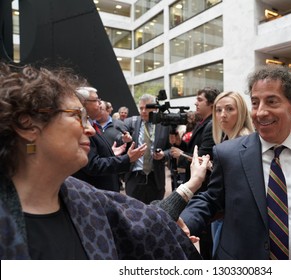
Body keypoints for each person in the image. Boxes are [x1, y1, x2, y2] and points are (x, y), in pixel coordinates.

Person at [0, 63, 210, 259]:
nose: (90, 129)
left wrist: (192, 183)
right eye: (76, 116)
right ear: (26, 125)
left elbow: (146, 221)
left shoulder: (84, 198)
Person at [180, 65, 291, 260]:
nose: (260, 112)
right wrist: (186, 220)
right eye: (255, 103)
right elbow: (211, 200)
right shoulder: (228, 154)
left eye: (271, 101)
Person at [170, 86, 220, 260]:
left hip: (204, 187)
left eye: (200, 100)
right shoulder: (203, 123)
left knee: (206, 239)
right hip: (197, 187)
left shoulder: (212, 124)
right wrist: (180, 144)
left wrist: (181, 154)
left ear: (211, 104)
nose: (195, 103)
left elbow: (205, 156)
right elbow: (195, 150)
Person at [210, 90, 254, 256]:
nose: (223, 115)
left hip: (234, 218)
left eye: (229, 109)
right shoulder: (227, 139)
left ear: (241, 111)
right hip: (224, 215)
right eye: (219, 110)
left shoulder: (244, 140)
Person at [72, 87, 141, 192]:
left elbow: (95, 155)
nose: (100, 103)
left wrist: (111, 152)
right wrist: (127, 159)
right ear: (83, 103)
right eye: (96, 100)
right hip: (94, 194)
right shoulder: (82, 128)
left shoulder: (95, 125)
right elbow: (93, 165)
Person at [122, 94, 171, 204]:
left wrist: (164, 154)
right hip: (135, 177)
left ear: (155, 108)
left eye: (147, 108)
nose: (143, 111)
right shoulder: (131, 123)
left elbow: (172, 149)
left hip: (156, 178)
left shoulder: (164, 125)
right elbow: (119, 136)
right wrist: (124, 139)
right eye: (141, 108)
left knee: (155, 212)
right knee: (133, 213)